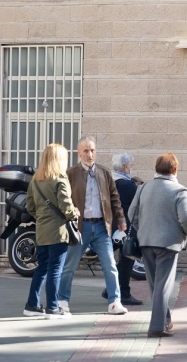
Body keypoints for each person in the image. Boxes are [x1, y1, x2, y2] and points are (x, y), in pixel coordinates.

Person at [58, 136, 128, 315]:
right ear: (79, 153)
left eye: (93, 150)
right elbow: (63, 199)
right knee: (69, 266)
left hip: (101, 227)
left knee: (110, 265)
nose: (90, 154)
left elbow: (114, 198)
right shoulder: (71, 173)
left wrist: (120, 218)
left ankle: (114, 301)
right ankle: (62, 301)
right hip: (80, 227)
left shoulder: (104, 173)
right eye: (86, 151)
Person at [130, 153, 187, 338]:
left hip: (146, 241)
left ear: (156, 168)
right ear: (175, 169)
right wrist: (186, 233)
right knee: (163, 285)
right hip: (168, 242)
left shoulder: (143, 188)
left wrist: (142, 229)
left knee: (155, 285)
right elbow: (186, 218)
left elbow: (131, 213)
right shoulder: (180, 190)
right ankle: (157, 327)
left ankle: (165, 320)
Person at [23, 144, 80, 319]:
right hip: (58, 231)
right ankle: (53, 308)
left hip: (41, 231)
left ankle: (32, 305)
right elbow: (66, 206)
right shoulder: (60, 179)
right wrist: (75, 213)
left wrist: (42, 217)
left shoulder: (35, 180)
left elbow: (30, 207)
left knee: (42, 268)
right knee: (55, 269)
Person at [99, 153, 143, 306]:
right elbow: (140, 203)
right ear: (125, 167)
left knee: (118, 261)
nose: (131, 168)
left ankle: (113, 289)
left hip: (110, 226)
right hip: (125, 229)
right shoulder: (127, 185)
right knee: (126, 261)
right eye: (130, 165)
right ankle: (122, 292)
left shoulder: (110, 181)